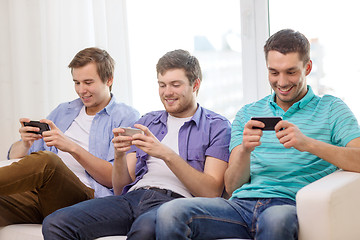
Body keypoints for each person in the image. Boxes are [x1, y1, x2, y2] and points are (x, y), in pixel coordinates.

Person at [154, 29, 360, 240]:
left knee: (275, 220)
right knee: (171, 213)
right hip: (241, 206)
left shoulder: (331, 108)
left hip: (288, 205)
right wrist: (245, 150)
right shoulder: (248, 113)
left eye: (291, 72)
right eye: (274, 72)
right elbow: (232, 186)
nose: (281, 82)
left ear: (307, 68)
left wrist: (308, 144)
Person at [42, 49, 232, 240]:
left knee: (144, 230)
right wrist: (119, 156)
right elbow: (120, 186)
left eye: (175, 85)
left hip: (174, 203)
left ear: (195, 84)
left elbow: (211, 192)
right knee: (56, 223)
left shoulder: (216, 126)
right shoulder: (148, 121)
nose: (167, 92)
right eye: (162, 85)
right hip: (132, 198)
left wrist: (166, 154)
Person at [1, 47, 140, 226]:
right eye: (77, 82)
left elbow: (116, 180)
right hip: (42, 195)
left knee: (48, 162)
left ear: (109, 79)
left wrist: (72, 148)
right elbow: (15, 157)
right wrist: (26, 144)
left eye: (88, 82)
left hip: (84, 198)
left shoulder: (126, 117)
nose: (81, 90)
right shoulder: (64, 111)